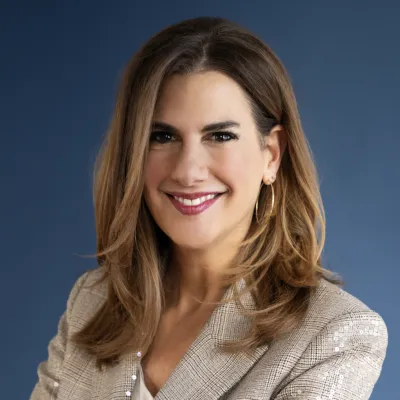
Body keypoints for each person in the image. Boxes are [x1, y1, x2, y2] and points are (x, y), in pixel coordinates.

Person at [30, 16, 388, 400]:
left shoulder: (335, 333)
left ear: (271, 155)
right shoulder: (91, 301)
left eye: (220, 135)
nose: (188, 171)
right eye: (162, 136)